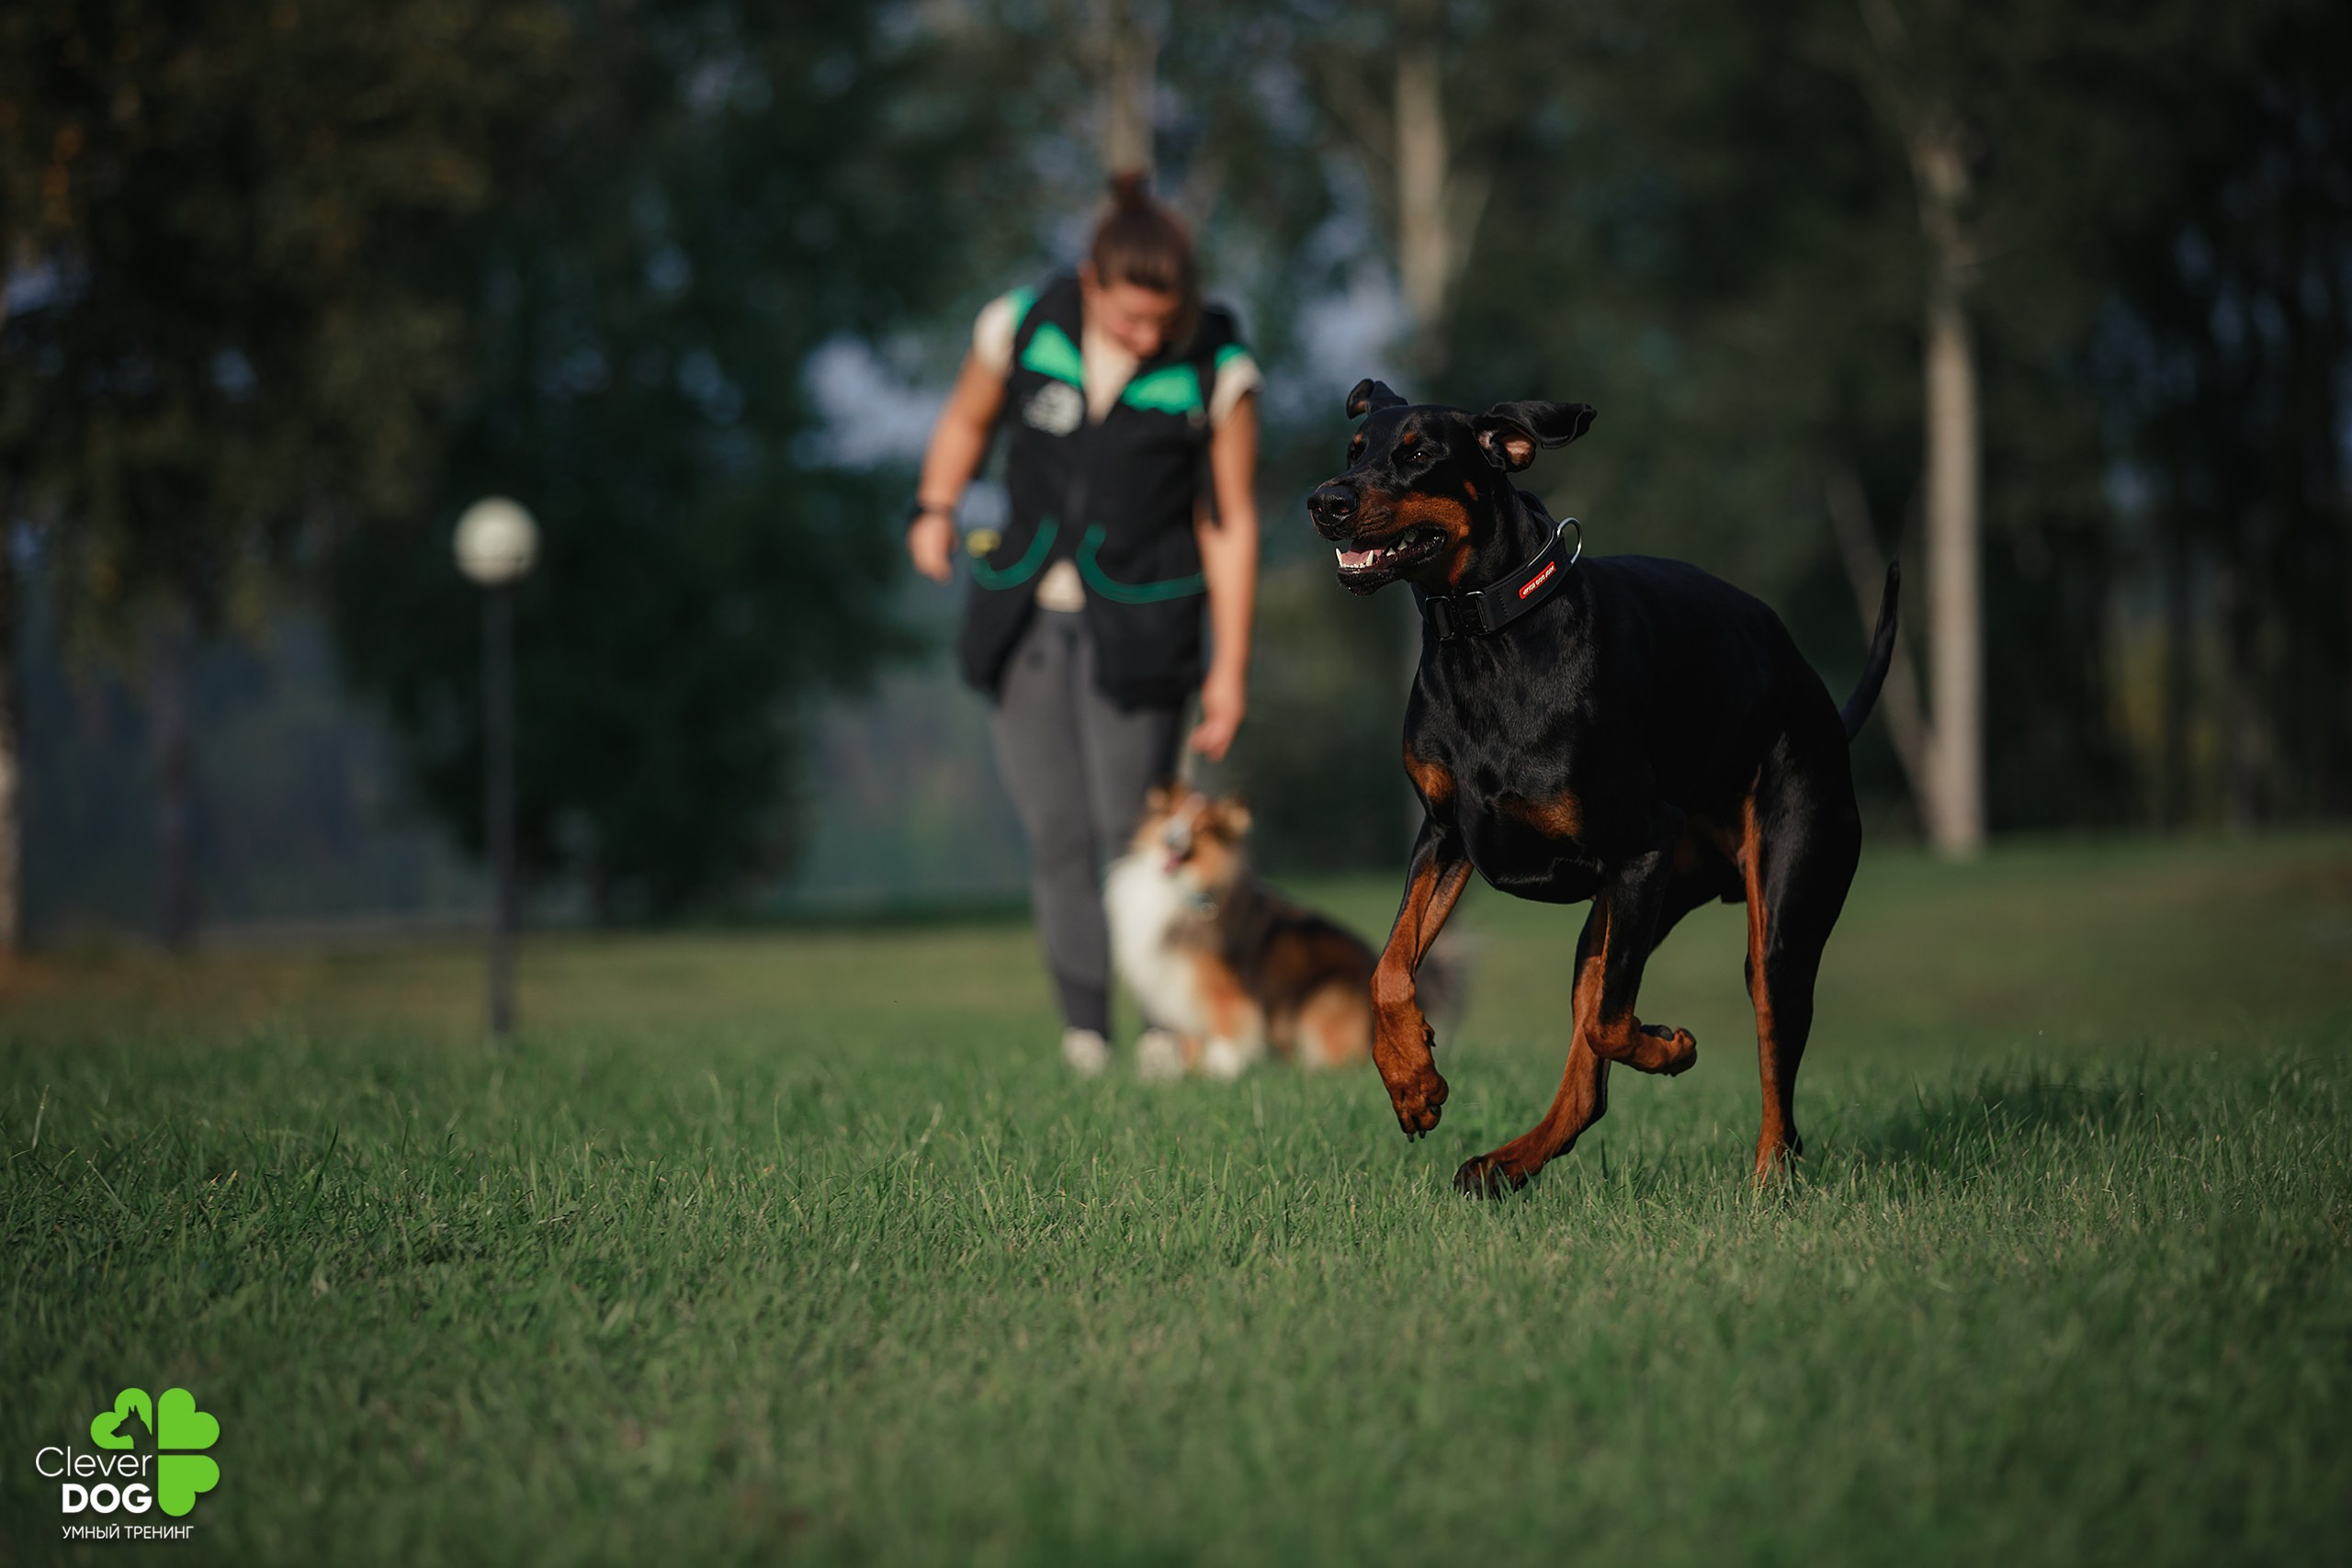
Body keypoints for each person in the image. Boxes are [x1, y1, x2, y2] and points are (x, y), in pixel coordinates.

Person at [908, 172, 1261, 1077]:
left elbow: (1229, 522)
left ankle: (1161, 1025)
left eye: (1163, 321)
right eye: (1129, 318)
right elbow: (963, 421)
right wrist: (935, 506)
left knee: (1132, 830)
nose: (1147, 338)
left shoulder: (1216, 365)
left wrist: (1228, 670)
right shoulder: (1020, 324)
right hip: (1023, 608)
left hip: (1145, 624)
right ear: (1090, 281)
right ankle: (1084, 1035)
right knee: (1058, 833)